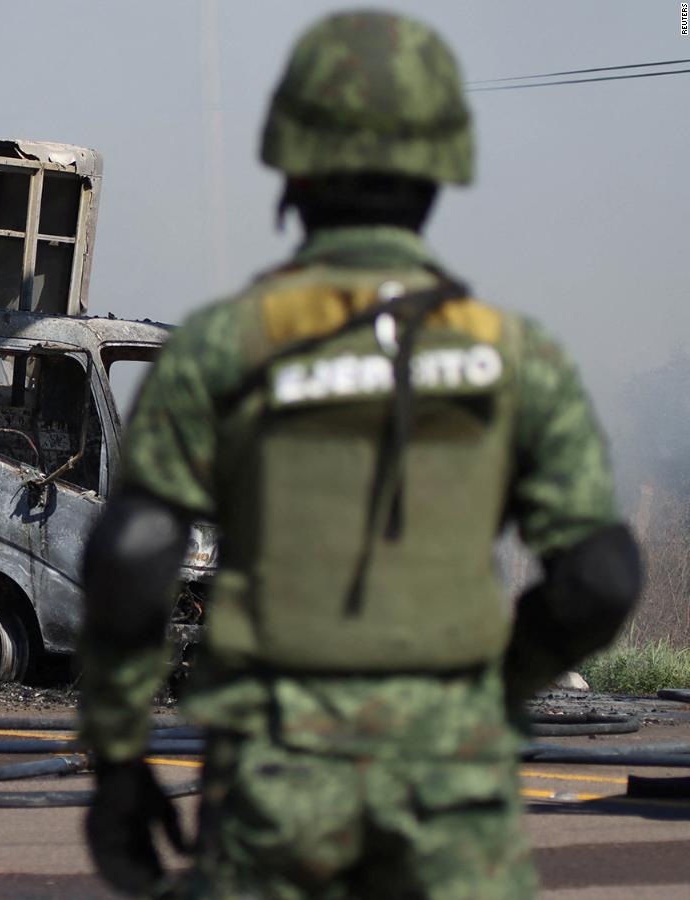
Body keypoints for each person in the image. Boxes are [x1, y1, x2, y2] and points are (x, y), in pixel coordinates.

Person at [77, 10, 642, 898]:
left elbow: (133, 556)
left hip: (275, 782)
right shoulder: (514, 354)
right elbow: (601, 578)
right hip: (455, 795)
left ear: (291, 159)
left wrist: (116, 760)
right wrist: (496, 691)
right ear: (442, 163)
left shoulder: (226, 347)